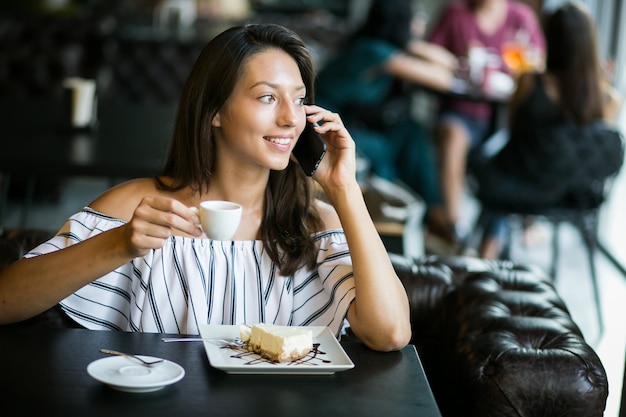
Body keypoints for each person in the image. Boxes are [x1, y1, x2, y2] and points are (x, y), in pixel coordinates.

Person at [0, 24, 411, 352]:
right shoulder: (139, 206)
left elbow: (390, 334)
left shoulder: (313, 222)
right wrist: (120, 244)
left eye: (299, 99)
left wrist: (344, 189)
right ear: (214, 111)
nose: (291, 119)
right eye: (268, 98)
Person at [472, 1, 623, 258]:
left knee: (492, 163)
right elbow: (593, 146)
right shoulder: (606, 98)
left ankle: (488, 253)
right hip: (568, 195)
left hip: (517, 184)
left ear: (550, 39)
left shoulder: (531, 81)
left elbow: (513, 126)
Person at [315, 0, 460, 251]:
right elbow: (445, 77)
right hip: (329, 129)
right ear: (399, 21)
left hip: (359, 123)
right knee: (390, 147)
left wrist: (409, 41)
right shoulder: (372, 50)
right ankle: (419, 222)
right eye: (416, 18)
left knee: (412, 133)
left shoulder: (383, 47)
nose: (421, 23)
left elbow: (449, 64)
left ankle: (436, 218)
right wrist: (411, 43)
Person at [426, 0, 545, 247]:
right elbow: (428, 52)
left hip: (507, 120)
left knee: (510, 159)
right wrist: (456, 61)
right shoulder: (456, 13)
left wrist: (522, 67)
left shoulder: (520, 18)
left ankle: (488, 254)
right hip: (461, 112)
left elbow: (538, 65)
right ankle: (454, 229)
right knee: (452, 137)